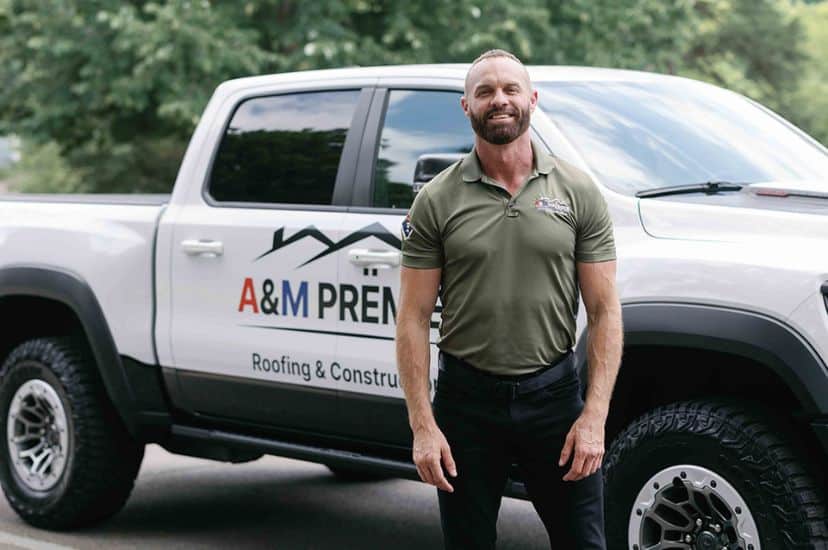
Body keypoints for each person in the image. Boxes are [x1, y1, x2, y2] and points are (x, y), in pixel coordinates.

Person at [395, 49, 623, 549]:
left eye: (510, 89)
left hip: (555, 402)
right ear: (466, 107)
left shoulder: (578, 192)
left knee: (584, 542)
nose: (499, 100)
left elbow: (605, 311)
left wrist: (594, 417)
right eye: (485, 91)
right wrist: (423, 426)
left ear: (532, 100)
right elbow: (412, 319)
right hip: (466, 405)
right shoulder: (437, 198)